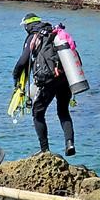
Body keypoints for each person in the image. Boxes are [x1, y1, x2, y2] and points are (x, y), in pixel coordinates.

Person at [13, 13, 75, 156]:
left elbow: (23, 61)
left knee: (38, 113)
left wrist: (15, 76)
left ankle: (45, 150)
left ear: (28, 26)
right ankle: (69, 143)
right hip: (65, 76)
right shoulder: (54, 32)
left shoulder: (33, 37)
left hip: (48, 79)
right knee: (63, 111)